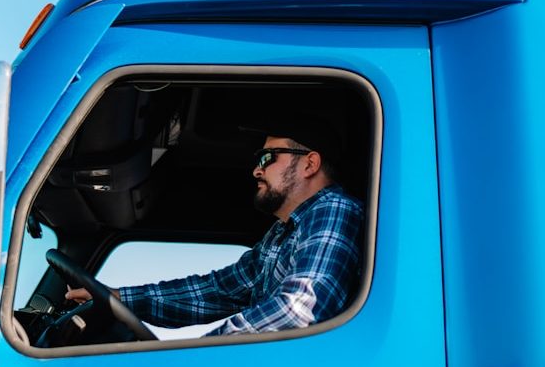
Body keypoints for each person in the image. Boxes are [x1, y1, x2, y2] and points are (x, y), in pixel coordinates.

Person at [66, 121, 364, 336]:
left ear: (310, 164)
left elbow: (298, 310)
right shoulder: (280, 234)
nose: (256, 170)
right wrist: (117, 298)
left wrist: (202, 355)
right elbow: (217, 291)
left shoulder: (334, 209)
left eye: (267, 157)